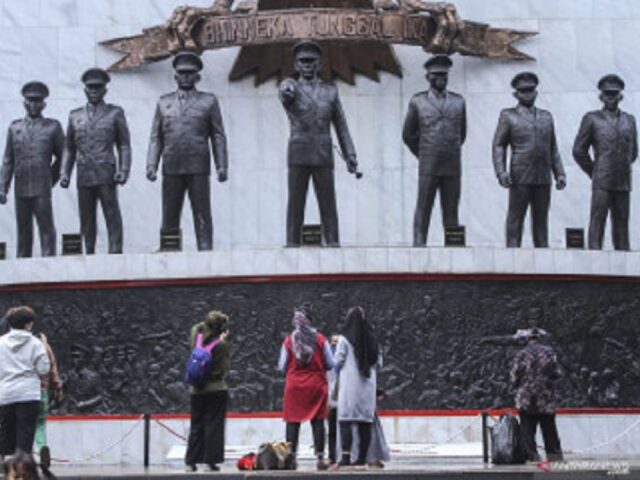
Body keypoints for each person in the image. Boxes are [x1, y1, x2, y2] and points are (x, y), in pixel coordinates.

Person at [279, 41, 358, 247]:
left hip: (323, 153)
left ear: (319, 64)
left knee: (328, 204)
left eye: (311, 61)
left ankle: (333, 243)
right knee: (296, 204)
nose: (307, 65)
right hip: (299, 152)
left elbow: (341, 125)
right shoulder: (291, 86)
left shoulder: (330, 91)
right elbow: (285, 93)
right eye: (303, 61)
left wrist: (350, 155)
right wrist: (285, 89)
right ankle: (292, 244)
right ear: (296, 65)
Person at [147, 51, 229, 251]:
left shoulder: (208, 101)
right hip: (171, 163)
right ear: (175, 76)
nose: (185, 77)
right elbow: (156, 137)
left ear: (197, 76)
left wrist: (222, 165)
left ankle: (205, 248)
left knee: (201, 210)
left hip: (197, 164)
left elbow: (218, 135)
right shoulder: (163, 102)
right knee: (170, 211)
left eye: (190, 73)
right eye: (182, 73)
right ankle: (168, 248)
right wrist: (151, 164)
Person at [60, 68, 132, 254]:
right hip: (84, 172)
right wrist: (65, 173)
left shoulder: (115, 113)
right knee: (86, 217)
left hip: (106, 171)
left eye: (98, 87)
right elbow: (69, 147)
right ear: (85, 90)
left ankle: (115, 251)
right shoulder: (75, 116)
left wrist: (123, 170)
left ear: (104, 90)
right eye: (90, 87)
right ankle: (88, 252)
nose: (94, 91)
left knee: (111, 213)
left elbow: (124, 144)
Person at [492, 72, 566, 248]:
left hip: (543, 176)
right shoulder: (508, 116)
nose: (527, 94)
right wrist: (501, 172)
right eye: (523, 91)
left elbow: (553, 148)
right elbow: (499, 145)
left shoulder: (546, 117)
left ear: (536, 93)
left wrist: (560, 173)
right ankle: (512, 256)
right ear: (516, 94)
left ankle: (543, 259)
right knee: (515, 218)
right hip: (520, 175)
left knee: (541, 221)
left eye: (530, 90)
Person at [403, 55, 466, 247]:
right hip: (429, 164)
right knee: (424, 208)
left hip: (452, 164)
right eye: (435, 75)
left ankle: (453, 247)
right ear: (427, 77)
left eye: (444, 75)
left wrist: (448, 150)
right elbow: (408, 135)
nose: (440, 78)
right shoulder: (418, 101)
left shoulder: (459, 102)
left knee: (451, 210)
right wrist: (424, 154)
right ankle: (419, 244)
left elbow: (462, 133)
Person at [573, 74, 638, 250]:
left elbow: (633, 152)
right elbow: (579, 150)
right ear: (601, 96)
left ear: (620, 96)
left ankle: (623, 260)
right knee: (598, 220)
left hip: (623, 180)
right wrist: (594, 171)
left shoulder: (629, 120)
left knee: (622, 223)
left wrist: (621, 166)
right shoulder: (592, 118)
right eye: (607, 94)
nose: (611, 97)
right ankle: (594, 257)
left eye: (614, 94)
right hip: (602, 179)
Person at [0, 81, 63, 258]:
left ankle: (49, 265)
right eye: (30, 101)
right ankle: (22, 267)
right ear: (24, 103)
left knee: (46, 229)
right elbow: (8, 160)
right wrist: (3, 188)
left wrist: (51, 179)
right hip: (21, 187)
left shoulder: (53, 127)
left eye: (37, 101)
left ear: (44, 104)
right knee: (23, 231)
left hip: (42, 187)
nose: (34, 105)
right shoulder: (15, 128)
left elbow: (63, 156)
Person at [278, 306, 334, 470]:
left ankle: (291, 458)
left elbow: (282, 366)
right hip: (316, 385)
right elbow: (330, 363)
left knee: (292, 421)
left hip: (294, 386)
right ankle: (320, 457)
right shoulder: (321, 339)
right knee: (317, 421)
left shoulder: (289, 340)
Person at [0, 307, 50, 460]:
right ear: (28, 324)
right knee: (25, 435)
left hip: (6, 393)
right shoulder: (36, 344)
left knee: (6, 431)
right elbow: (44, 368)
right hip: (29, 394)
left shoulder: (1, 343)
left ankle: (4, 467)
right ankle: (22, 470)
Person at [333, 306, 380, 468]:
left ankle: (345, 456)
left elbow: (337, 361)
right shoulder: (373, 339)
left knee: (345, 420)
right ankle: (361, 458)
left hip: (349, 387)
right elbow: (378, 363)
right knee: (364, 422)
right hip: (367, 387)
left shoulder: (344, 340)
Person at [185, 310, 230, 472]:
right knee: (213, 425)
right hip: (215, 389)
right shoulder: (221, 345)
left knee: (196, 424)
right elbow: (222, 370)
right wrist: (222, 339)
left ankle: (191, 461)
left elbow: (198, 327)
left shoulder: (195, 336)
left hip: (196, 390)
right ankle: (210, 461)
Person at [510, 327, 563, 462]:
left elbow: (514, 377)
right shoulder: (549, 353)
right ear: (538, 338)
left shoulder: (521, 355)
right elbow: (557, 374)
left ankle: (532, 456)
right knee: (549, 430)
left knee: (527, 431)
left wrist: (519, 386)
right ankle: (554, 456)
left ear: (527, 340)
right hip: (545, 399)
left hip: (526, 399)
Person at [34, 334, 63, 461]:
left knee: (18, 425)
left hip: (22, 392)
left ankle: (11, 457)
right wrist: (58, 387)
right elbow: (53, 368)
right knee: (40, 424)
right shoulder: (45, 346)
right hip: (42, 391)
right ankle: (42, 448)